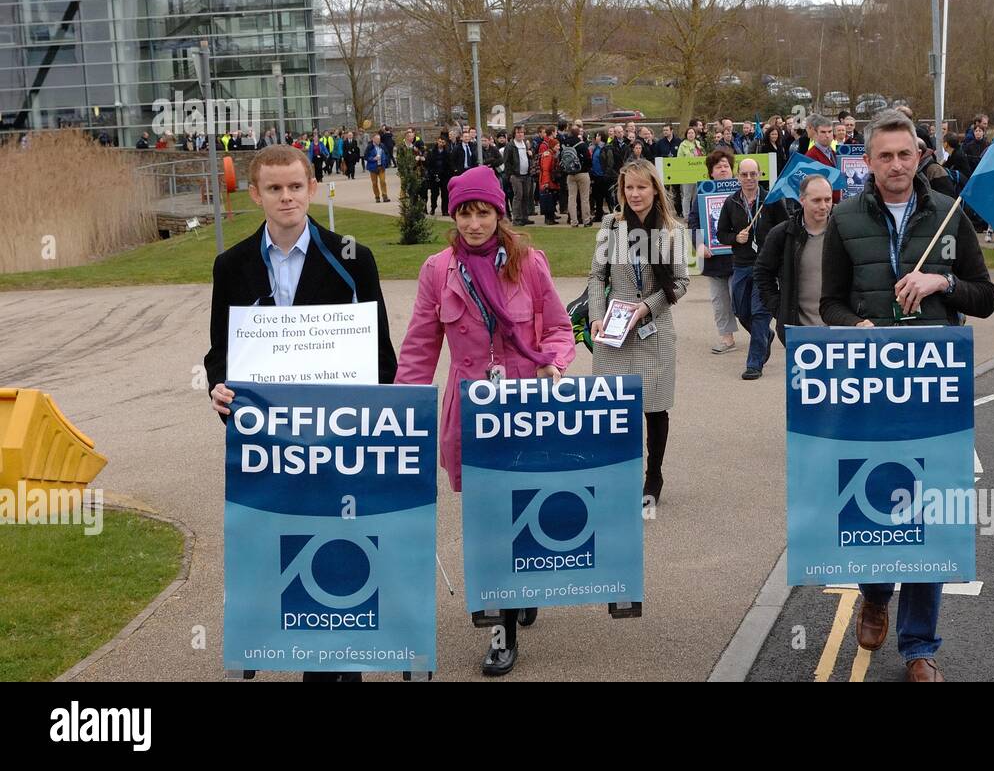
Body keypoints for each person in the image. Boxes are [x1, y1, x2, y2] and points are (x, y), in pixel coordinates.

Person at [204, 145, 398, 682]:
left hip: (340, 435)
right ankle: (288, 645)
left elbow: (381, 354)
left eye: (295, 186)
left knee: (340, 540)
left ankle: (340, 661)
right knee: (280, 540)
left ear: (311, 188)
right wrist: (219, 390)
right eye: (274, 188)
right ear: (255, 194)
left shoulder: (353, 256)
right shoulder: (232, 265)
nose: (286, 197)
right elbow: (220, 352)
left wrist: (368, 424)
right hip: (269, 439)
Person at [820, 108, 994, 683]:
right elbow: (830, 304)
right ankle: (874, 594)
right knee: (875, 497)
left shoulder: (950, 216)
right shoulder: (845, 220)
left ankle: (919, 645)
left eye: (905, 154)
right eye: (884, 156)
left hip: (934, 388)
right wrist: (855, 329)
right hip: (870, 386)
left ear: (921, 156)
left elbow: (986, 297)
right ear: (867, 162)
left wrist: (941, 281)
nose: (896, 165)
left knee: (930, 511)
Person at [394, 166, 575, 676]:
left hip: (524, 404)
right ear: (454, 216)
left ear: (500, 213)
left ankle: (523, 584)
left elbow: (560, 328)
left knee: (523, 508)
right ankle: (501, 632)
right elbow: (420, 348)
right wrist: (404, 410)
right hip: (472, 407)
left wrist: (553, 362)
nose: (474, 223)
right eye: (465, 214)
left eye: (484, 212)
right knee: (484, 521)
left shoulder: (530, 264)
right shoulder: (438, 270)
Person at [588, 158, 689, 505]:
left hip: (653, 330)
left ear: (654, 189)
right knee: (614, 409)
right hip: (613, 333)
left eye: (641, 187)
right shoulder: (609, 227)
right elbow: (597, 277)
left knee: (654, 409)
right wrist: (596, 317)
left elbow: (680, 282)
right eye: (628, 187)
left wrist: (646, 308)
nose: (634, 194)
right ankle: (618, 474)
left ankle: (653, 475)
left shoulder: (673, 230)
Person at [754, 174, 833, 346]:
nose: (823, 206)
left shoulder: (842, 231)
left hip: (840, 330)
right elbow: (762, 273)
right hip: (799, 331)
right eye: (816, 200)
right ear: (802, 200)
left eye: (828, 199)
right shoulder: (782, 234)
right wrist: (780, 309)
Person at [715, 157, 775, 380]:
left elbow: (785, 226)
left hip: (766, 266)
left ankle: (754, 363)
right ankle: (764, 337)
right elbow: (721, 233)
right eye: (744, 174)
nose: (749, 179)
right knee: (741, 310)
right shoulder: (731, 202)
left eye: (753, 174)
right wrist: (735, 238)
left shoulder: (771, 200)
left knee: (760, 313)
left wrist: (772, 244)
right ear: (738, 176)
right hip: (741, 265)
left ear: (760, 174)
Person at [688, 149, 740, 355]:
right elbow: (693, 222)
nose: (723, 169)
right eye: (718, 167)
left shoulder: (742, 191)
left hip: (739, 256)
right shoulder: (703, 193)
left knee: (741, 298)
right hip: (714, 258)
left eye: (726, 166)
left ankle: (758, 333)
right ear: (711, 172)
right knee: (720, 301)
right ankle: (727, 338)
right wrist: (699, 244)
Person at [503, 124, 536, 227]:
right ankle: (516, 218)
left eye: (522, 132)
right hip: (516, 175)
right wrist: (510, 175)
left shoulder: (525, 144)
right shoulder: (510, 146)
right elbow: (506, 162)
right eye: (518, 132)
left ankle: (524, 217)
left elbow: (529, 157)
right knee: (518, 196)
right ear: (514, 134)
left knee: (526, 196)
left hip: (526, 174)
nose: (520, 134)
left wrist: (531, 154)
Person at [561, 130, 592, 227]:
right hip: (582, 173)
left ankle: (573, 221)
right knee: (584, 198)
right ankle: (586, 220)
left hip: (570, 174)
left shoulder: (564, 144)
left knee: (571, 198)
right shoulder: (581, 144)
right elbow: (588, 159)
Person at [364, 132, 391, 203]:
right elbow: (366, 157)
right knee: (374, 183)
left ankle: (385, 196)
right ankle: (377, 196)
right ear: (373, 139)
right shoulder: (369, 147)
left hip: (381, 167)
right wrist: (373, 158)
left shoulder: (382, 145)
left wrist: (386, 162)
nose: (378, 141)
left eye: (379, 139)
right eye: (377, 139)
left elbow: (387, 153)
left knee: (383, 181)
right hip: (373, 168)